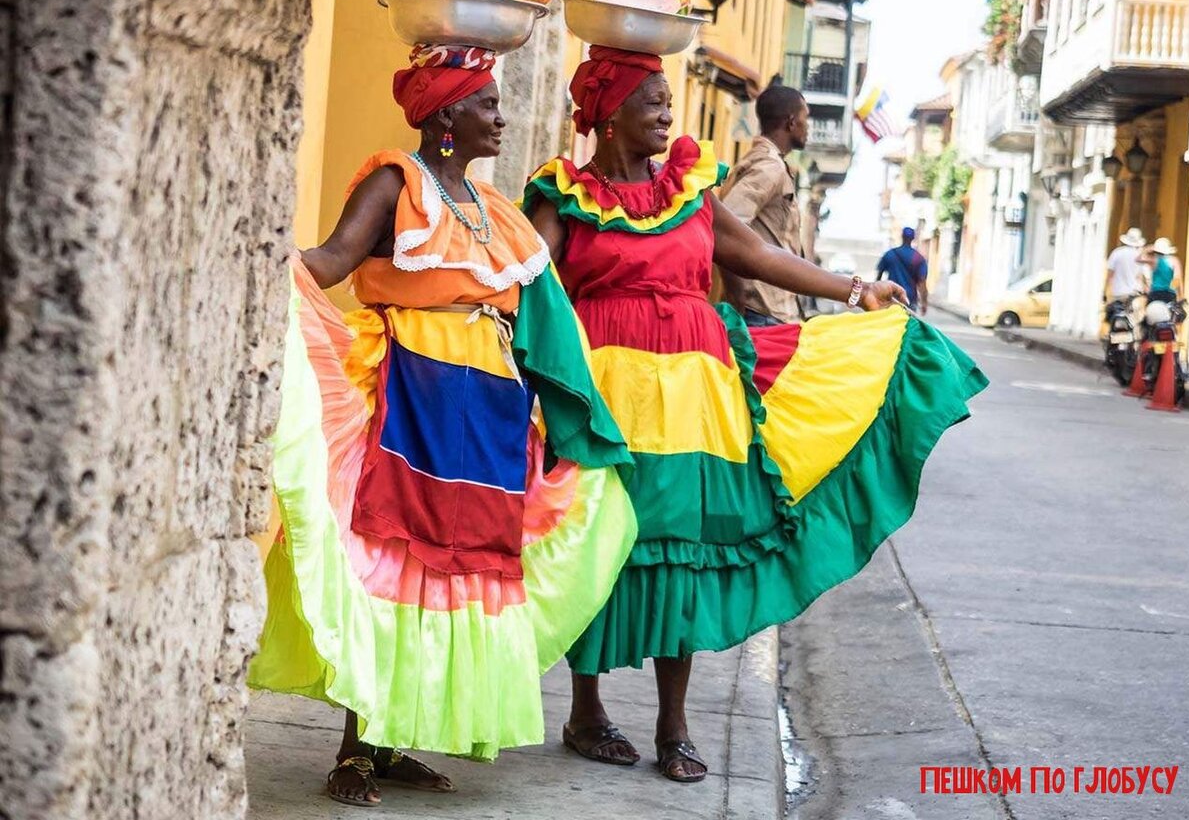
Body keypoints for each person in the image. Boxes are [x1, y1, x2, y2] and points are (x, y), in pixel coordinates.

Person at [522, 45, 987, 783]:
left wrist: (853, 288)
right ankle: (586, 709)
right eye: (651, 100)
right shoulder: (564, 196)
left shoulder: (690, 191)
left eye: (669, 99)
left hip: (697, 398)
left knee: (687, 546)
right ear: (608, 116)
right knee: (602, 545)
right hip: (605, 396)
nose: (667, 112)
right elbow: (522, 277)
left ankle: (674, 723)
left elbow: (758, 259)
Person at [248, 43, 637, 807]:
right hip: (407, 397)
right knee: (389, 555)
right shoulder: (397, 180)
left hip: (486, 413)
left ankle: (392, 744)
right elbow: (328, 261)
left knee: (449, 569)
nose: (500, 114)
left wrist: (568, 422)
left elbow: (541, 322)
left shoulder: (497, 214)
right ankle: (355, 750)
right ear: (448, 115)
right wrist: (253, 260)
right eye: (487, 102)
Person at [718, 85, 808, 326]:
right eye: (805, 118)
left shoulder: (763, 162)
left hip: (768, 312)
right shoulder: (770, 167)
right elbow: (726, 229)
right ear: (790, 123)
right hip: (762, 313)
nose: (807, 126)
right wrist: (736, 296)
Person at [876, 227, 928, 315]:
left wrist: (877, 294)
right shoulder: (918, 258)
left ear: (902, 237)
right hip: (910, 299)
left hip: (891, 296)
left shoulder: (890, 254)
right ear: (913, 238)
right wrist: (924, 303)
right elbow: (922, 282)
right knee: (907, 325)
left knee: (890, 323)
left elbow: (879, 276)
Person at [1106, 227, 1146, 300]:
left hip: (1118, 292)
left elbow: (1110, 275)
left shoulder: (1116, 253)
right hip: (1134, 292)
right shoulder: (1140, 256)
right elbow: (1140, 277)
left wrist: (1105, 290)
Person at [1141, 236, 1182, 303]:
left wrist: (1146, 249)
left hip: (1154, 293)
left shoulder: (1151, 261)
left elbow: (1145, 279)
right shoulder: (1173, 261)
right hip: (1168, 294)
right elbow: (1177, 278)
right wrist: (1178, 294)